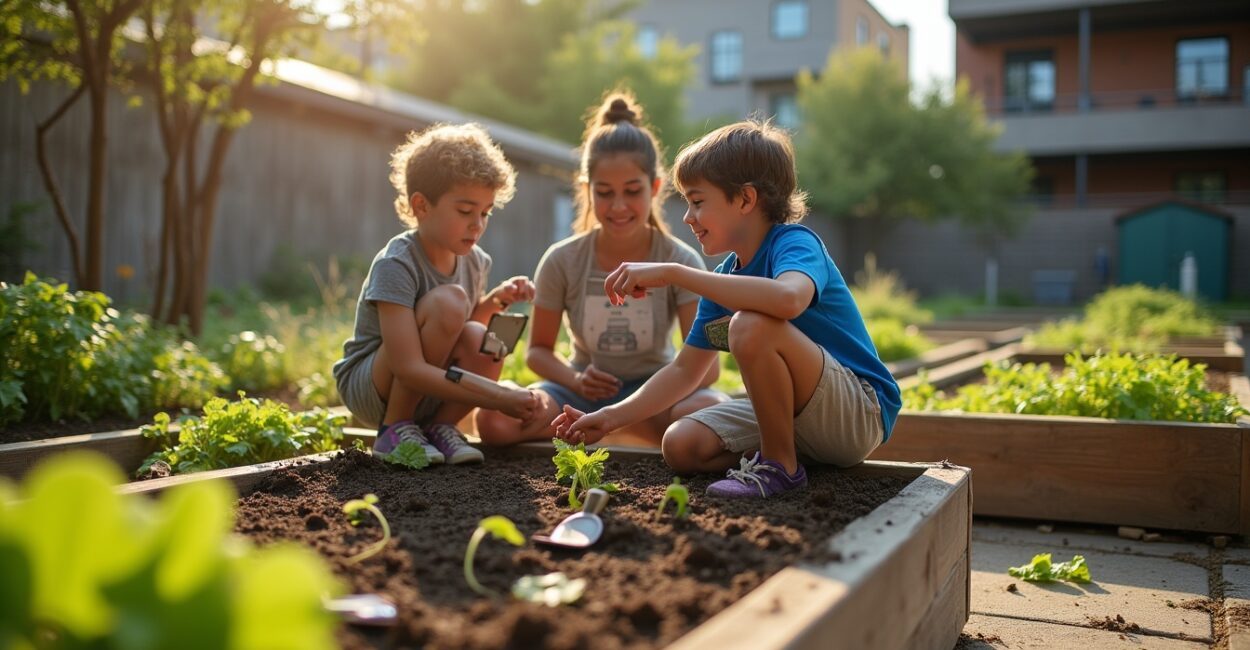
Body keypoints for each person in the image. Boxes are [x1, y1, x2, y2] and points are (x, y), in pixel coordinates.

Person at [554, 120, 901, 498]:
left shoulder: (795, 244)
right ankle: (789, 459)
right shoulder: (724, 278)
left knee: (750, 325)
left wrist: (675, 273)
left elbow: (788, 299)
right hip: (801, 422)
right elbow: (685, 370)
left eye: (698, 202)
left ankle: (779, 467)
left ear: (745, 200)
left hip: (857, 412)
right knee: (681, 444)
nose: (687, 217)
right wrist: (608, 417)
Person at [475, 93, 725, 446]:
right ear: (586, 189)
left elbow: (708, 369)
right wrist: (576, 382)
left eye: (632, 191)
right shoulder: (562, 260)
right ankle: (611, 430)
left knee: (711, 411)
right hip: (579, 397)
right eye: (605, 192)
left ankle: (619, 427)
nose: (619, 206)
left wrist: (628, 410)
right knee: (493, 419)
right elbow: (537, 351)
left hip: (654, 398)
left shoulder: (679, 261)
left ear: (655, 188)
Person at [332, 123, 540, 465]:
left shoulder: (476, 261)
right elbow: (408, 366)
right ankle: (394, 429)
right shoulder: (397, 263)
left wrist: (497, 301)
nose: (477, 224)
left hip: (430, 386)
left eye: (485, 212)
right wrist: (497, 396)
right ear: (421, 205)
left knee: (485, 337)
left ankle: (441, 427)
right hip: (374, 388)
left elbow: (460, 331)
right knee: (450, 301)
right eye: (465, 211)